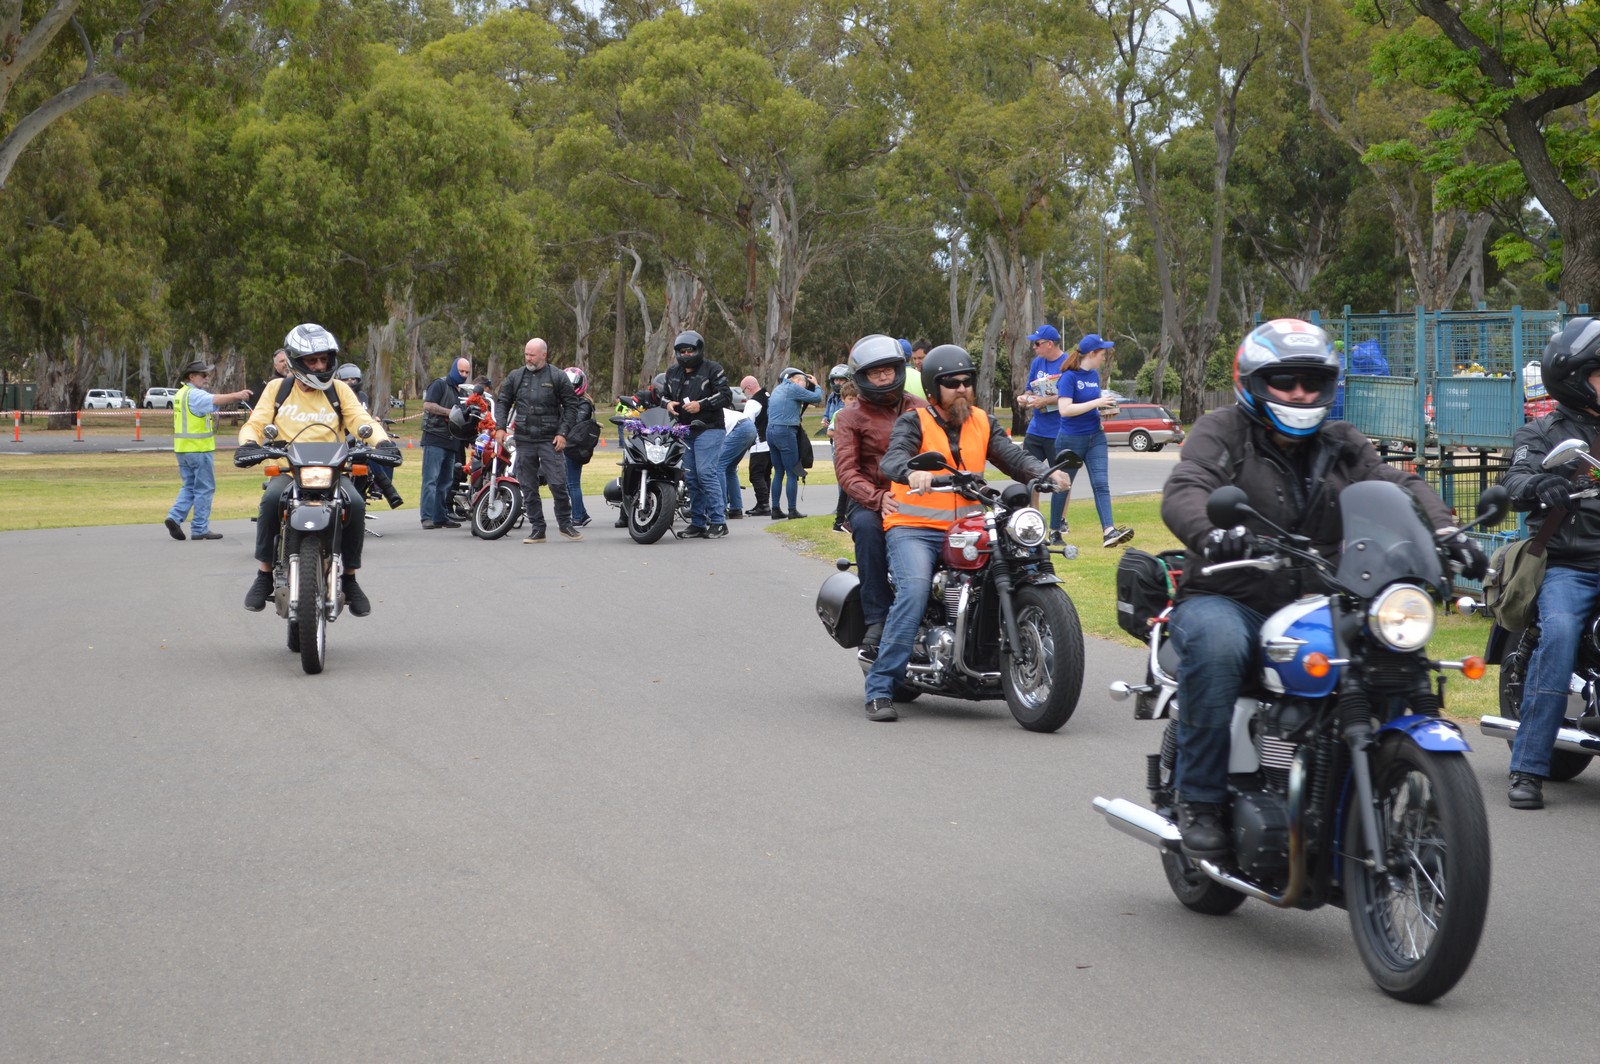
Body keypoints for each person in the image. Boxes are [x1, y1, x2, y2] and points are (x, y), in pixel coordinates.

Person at [1159, 318, 1481, 855]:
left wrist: (1445, 531)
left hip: (1324, 599)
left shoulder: (1343, 441)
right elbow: (1187, 487)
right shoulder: (1221, 431)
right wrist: (1213, 534)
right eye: (1285, 381)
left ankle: (1380, 783)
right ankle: (1200, 799)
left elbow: (1397, 483)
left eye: (1312, 382)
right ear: (1253, 383)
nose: (1300, 393)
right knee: (1219, 647)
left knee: (1390, 651)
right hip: (1230, 594)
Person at [863, 344, 1072, 722]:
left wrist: (1044, 472)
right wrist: (912, 472)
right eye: (952, 382)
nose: (961, 388)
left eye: (967, 381)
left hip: (969, 527)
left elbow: (1012, 456)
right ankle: (879, 686)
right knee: (915, 588)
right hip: (915, 528)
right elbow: (892, 460)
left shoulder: (982, 421)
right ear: (933, 389)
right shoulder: (913, 421)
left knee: (1017, 565)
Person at [1500, 316, 1600, 810]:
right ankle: (1528, 767)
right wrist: (1541, 483)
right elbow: (1515, 481)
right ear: (1576, 376)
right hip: (1572, 565)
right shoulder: (1541, 432)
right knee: (1558, 635)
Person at [237, 324, 400, 617]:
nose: (320, 366)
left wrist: (382, 442)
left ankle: (350, 578)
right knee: (271, 500)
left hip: (333, 472)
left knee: (356, 504)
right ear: (296, 361)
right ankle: (263, 574)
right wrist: (249, 443)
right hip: (290, 471)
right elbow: (256, 423)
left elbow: (361, 421)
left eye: (324, 359)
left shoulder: (339, 390)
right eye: (312, 360)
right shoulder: (277, 389)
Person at [832, 334, 927, 659]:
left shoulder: (921, 408)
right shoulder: (850, 416)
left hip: (921, 495)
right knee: (869, 530)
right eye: (876, 372)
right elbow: (847, 471)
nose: (884, 377)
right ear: (863, 377)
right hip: (871, 499)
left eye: (888, 370)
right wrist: (876, 497)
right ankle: (877, 619)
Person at [495, 338, 583, 543]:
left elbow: (571, 406)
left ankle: (565, 524)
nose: (528, 358)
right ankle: (537, 529)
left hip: (550, 440)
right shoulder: (516, 376)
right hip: (524, 440)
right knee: (528, 486)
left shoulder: (558, 376)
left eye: (532, 355)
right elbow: (503, 401)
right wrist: (500, 427)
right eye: (526, 354)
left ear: (544, 355)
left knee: (558, 484)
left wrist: (563, 433)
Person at [1056, 333, 1134, 548]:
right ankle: (1054, 531)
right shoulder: (1069, 377)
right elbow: (1065, 410)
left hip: (1095, 436)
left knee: (1100, 483)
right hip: (1071, 439)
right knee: (1062, 485)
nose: (1104, 357)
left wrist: (1104, 410)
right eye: (1102, 354)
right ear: (1091, 353)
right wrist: (1096, 403)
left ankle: (1109, 531)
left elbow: (1091, 405)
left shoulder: (1094, 376)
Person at [651, 330, 730, 538]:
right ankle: (697, 522)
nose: (686, 354)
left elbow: (725, 395)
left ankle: (719, 521)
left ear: (699, 350)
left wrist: (701, 405)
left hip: (709, 428)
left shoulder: (713, 369)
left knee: (706, 473)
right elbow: (662, 397)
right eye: (682, 351)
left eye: (690, 351)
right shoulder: (672, 372)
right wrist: (668, 404)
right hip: (684, 431)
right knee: (691, 478)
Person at [163, 358, 251, 541]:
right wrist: (238, 395)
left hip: (183, 449)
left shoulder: (181, 393)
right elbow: (216, 399)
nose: (206, 378)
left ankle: (174, 516)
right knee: (204, 488)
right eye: (203, 375)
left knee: (189, 486)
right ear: (191, 377)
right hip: (199, 450)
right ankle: (200, 528)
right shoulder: (195, 395)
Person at [1016, 324, 1072, 544]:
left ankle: (1059, 522)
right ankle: (1034, 521)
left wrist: (1046, 400)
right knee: (1029, 475)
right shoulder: (1037, 362)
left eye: (1037, 343)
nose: (1034, 347)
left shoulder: (1068, 364)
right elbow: (1030, 388)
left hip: (1058, 431)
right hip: (1036, 430)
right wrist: (1025, 398)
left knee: (1061, 479)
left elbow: (1070, 395)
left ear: (1050, 344)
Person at [334, 362, 403, 510]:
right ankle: (386, 488)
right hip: (342, 437)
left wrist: (374, 420)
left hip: (361, 435)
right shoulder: (334, 396)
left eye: (353, 379)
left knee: (387, 449)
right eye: (346, 379)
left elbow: (362, 415)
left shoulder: (362, 396)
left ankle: (379, 486)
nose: (350, 382)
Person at [420, 355, 471, 530]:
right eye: (461, 371)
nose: (464, 375)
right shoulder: (439, 384)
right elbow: (428, 405)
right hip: (435, 437)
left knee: (446, 481)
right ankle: (427, 517)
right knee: (431, 480)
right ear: (454, 369)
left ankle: (440, 516)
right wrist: (450, 412)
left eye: (466, 372)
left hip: (452, 441)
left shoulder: (461, 393)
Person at [766, 366, 822, 520]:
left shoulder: (777, 390)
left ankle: (775, 509)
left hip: (770, 431)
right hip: (785, 431)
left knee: (778, 471)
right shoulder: (793, 387)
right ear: (797, 380)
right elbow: (817, 398)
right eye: (805, 382)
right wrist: (816, 385)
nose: (805, 386)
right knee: (792, 472)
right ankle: (792, 510)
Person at [562, 366, 596, 528]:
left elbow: (574, 423)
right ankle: (582, 513)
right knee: (568, 482)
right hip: (569, 445)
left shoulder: (584, 404)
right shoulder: (569, 403)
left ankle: (577, 517)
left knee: (572, 483)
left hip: (575, 447)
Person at [720, 392, 758, 519]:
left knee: (718, 466)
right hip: (748, 426)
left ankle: (720, 508)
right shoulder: (716, 410)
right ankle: (736, 508)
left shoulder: (705, 413)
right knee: (730, 469)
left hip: (739, 428)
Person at [741, 375, 773, 515]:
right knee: (766, 474)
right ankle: (763, 503)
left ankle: (763, 504)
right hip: (771, 442)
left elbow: (746, 423)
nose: (744, 394)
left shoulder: (753, 402)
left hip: (759, 443)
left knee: (756, 474)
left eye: (744, 391)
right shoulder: (769, 397)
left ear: (749, 388)